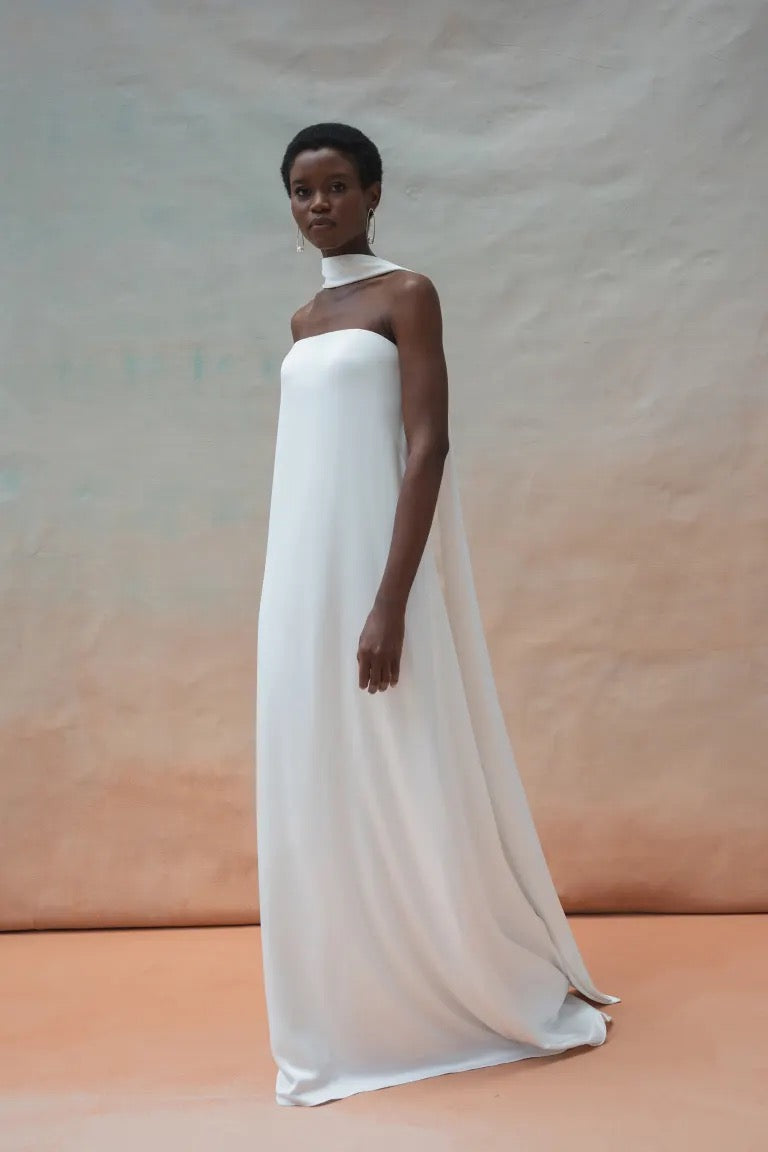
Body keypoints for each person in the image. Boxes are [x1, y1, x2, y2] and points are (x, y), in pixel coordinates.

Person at [256, 122, 619, 1108]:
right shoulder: (302, 322)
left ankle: (457, 977)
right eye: (301, 189)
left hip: (377, 574)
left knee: (404, 751)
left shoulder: (407, 296)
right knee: (316, 766)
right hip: (299, 575)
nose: (319, 204)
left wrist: (390, 602)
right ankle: (352, 990)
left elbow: (427, 449)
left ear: (374, 193)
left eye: (336, 186)